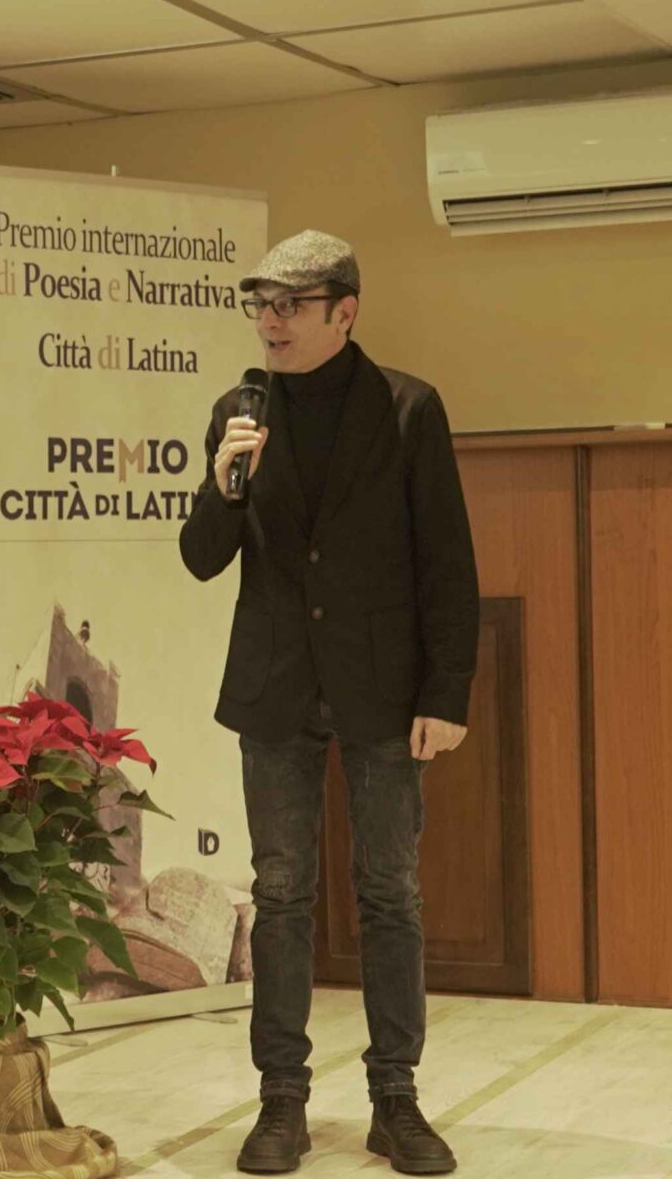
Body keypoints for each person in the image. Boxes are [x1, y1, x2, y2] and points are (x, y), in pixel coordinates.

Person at [176, 230, 479, 1177]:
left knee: (390, 891)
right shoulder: (240, 411)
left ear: (344, 311)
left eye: (289, 305)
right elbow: (202, 557)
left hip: (383, 687)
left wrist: (447, 691)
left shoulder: (407, 407)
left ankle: (397, 1098)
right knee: (279, 893)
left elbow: (446, 559)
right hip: (276, 684)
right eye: (259, 304)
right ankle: (282, 1100)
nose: (269, 322)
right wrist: (225, 485)